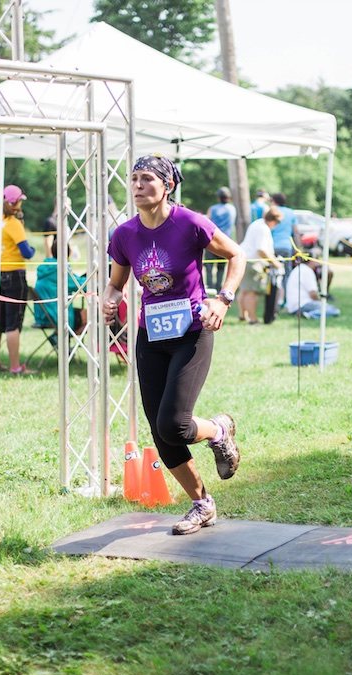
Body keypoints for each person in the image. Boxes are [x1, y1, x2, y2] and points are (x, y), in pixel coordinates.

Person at [102, 154, 246, 536]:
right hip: (151, 336)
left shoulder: (190, 223)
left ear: (167, 186)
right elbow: (116, 283)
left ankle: (218, 431)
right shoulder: (124, 234)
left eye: (147, 178)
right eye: (134, 178)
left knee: (174, 424)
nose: (137, 185)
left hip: (192, 332)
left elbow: (237, 255)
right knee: (160, 431)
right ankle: (202, 504)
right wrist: (109, 298)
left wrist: (223, 299)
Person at [0, 185, 36, 374]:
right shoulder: (13, 224)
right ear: (15, 203)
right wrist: (33, 250)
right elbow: (27, 253)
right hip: (14, 275)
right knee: (13, 322)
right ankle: (15, 366)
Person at [33, 232, 87, 335]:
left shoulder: (46, 268)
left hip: (42, 315)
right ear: (67, 253)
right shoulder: (59, 270)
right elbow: (81, 285)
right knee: (93, 315)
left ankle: (59, 338)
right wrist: (97, 281)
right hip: (56, 315)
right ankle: (61, 338)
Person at [237, 206, 283, 324]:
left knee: (244, 290)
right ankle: (253, 320)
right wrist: (275, 263)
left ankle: (242, 315)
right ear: (274, 220)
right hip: (252, 262)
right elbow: (261, 250)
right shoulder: (263, 229)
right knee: (252, 292)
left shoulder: (257, 223)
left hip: (243, 259)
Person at [265, 192, 298, 324]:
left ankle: (275, 301)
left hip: (272, 246)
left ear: (274, 201)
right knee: (286, 275)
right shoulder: (291, 213)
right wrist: (297, 249)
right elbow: (296, 232)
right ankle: (286, 300)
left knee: (272, 276)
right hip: (286, 247)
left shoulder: (271, 211)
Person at [285, 253, 339, 318]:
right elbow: (313, 294)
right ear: (311, 261)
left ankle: (307, 314)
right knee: (334, 310)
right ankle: (308, 315)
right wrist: (321, 302)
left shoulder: (299, 268)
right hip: (302, 305)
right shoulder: (307, 271)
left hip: (293, 306)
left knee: (327, 307)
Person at [204, 186, 236, 292]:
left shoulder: (212, 209)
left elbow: (207, 222)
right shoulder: (232, 209)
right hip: (226, 241)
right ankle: (219, 286)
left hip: (212, 240)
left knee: (209, 266)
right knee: (221, 267)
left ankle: (210, 287)